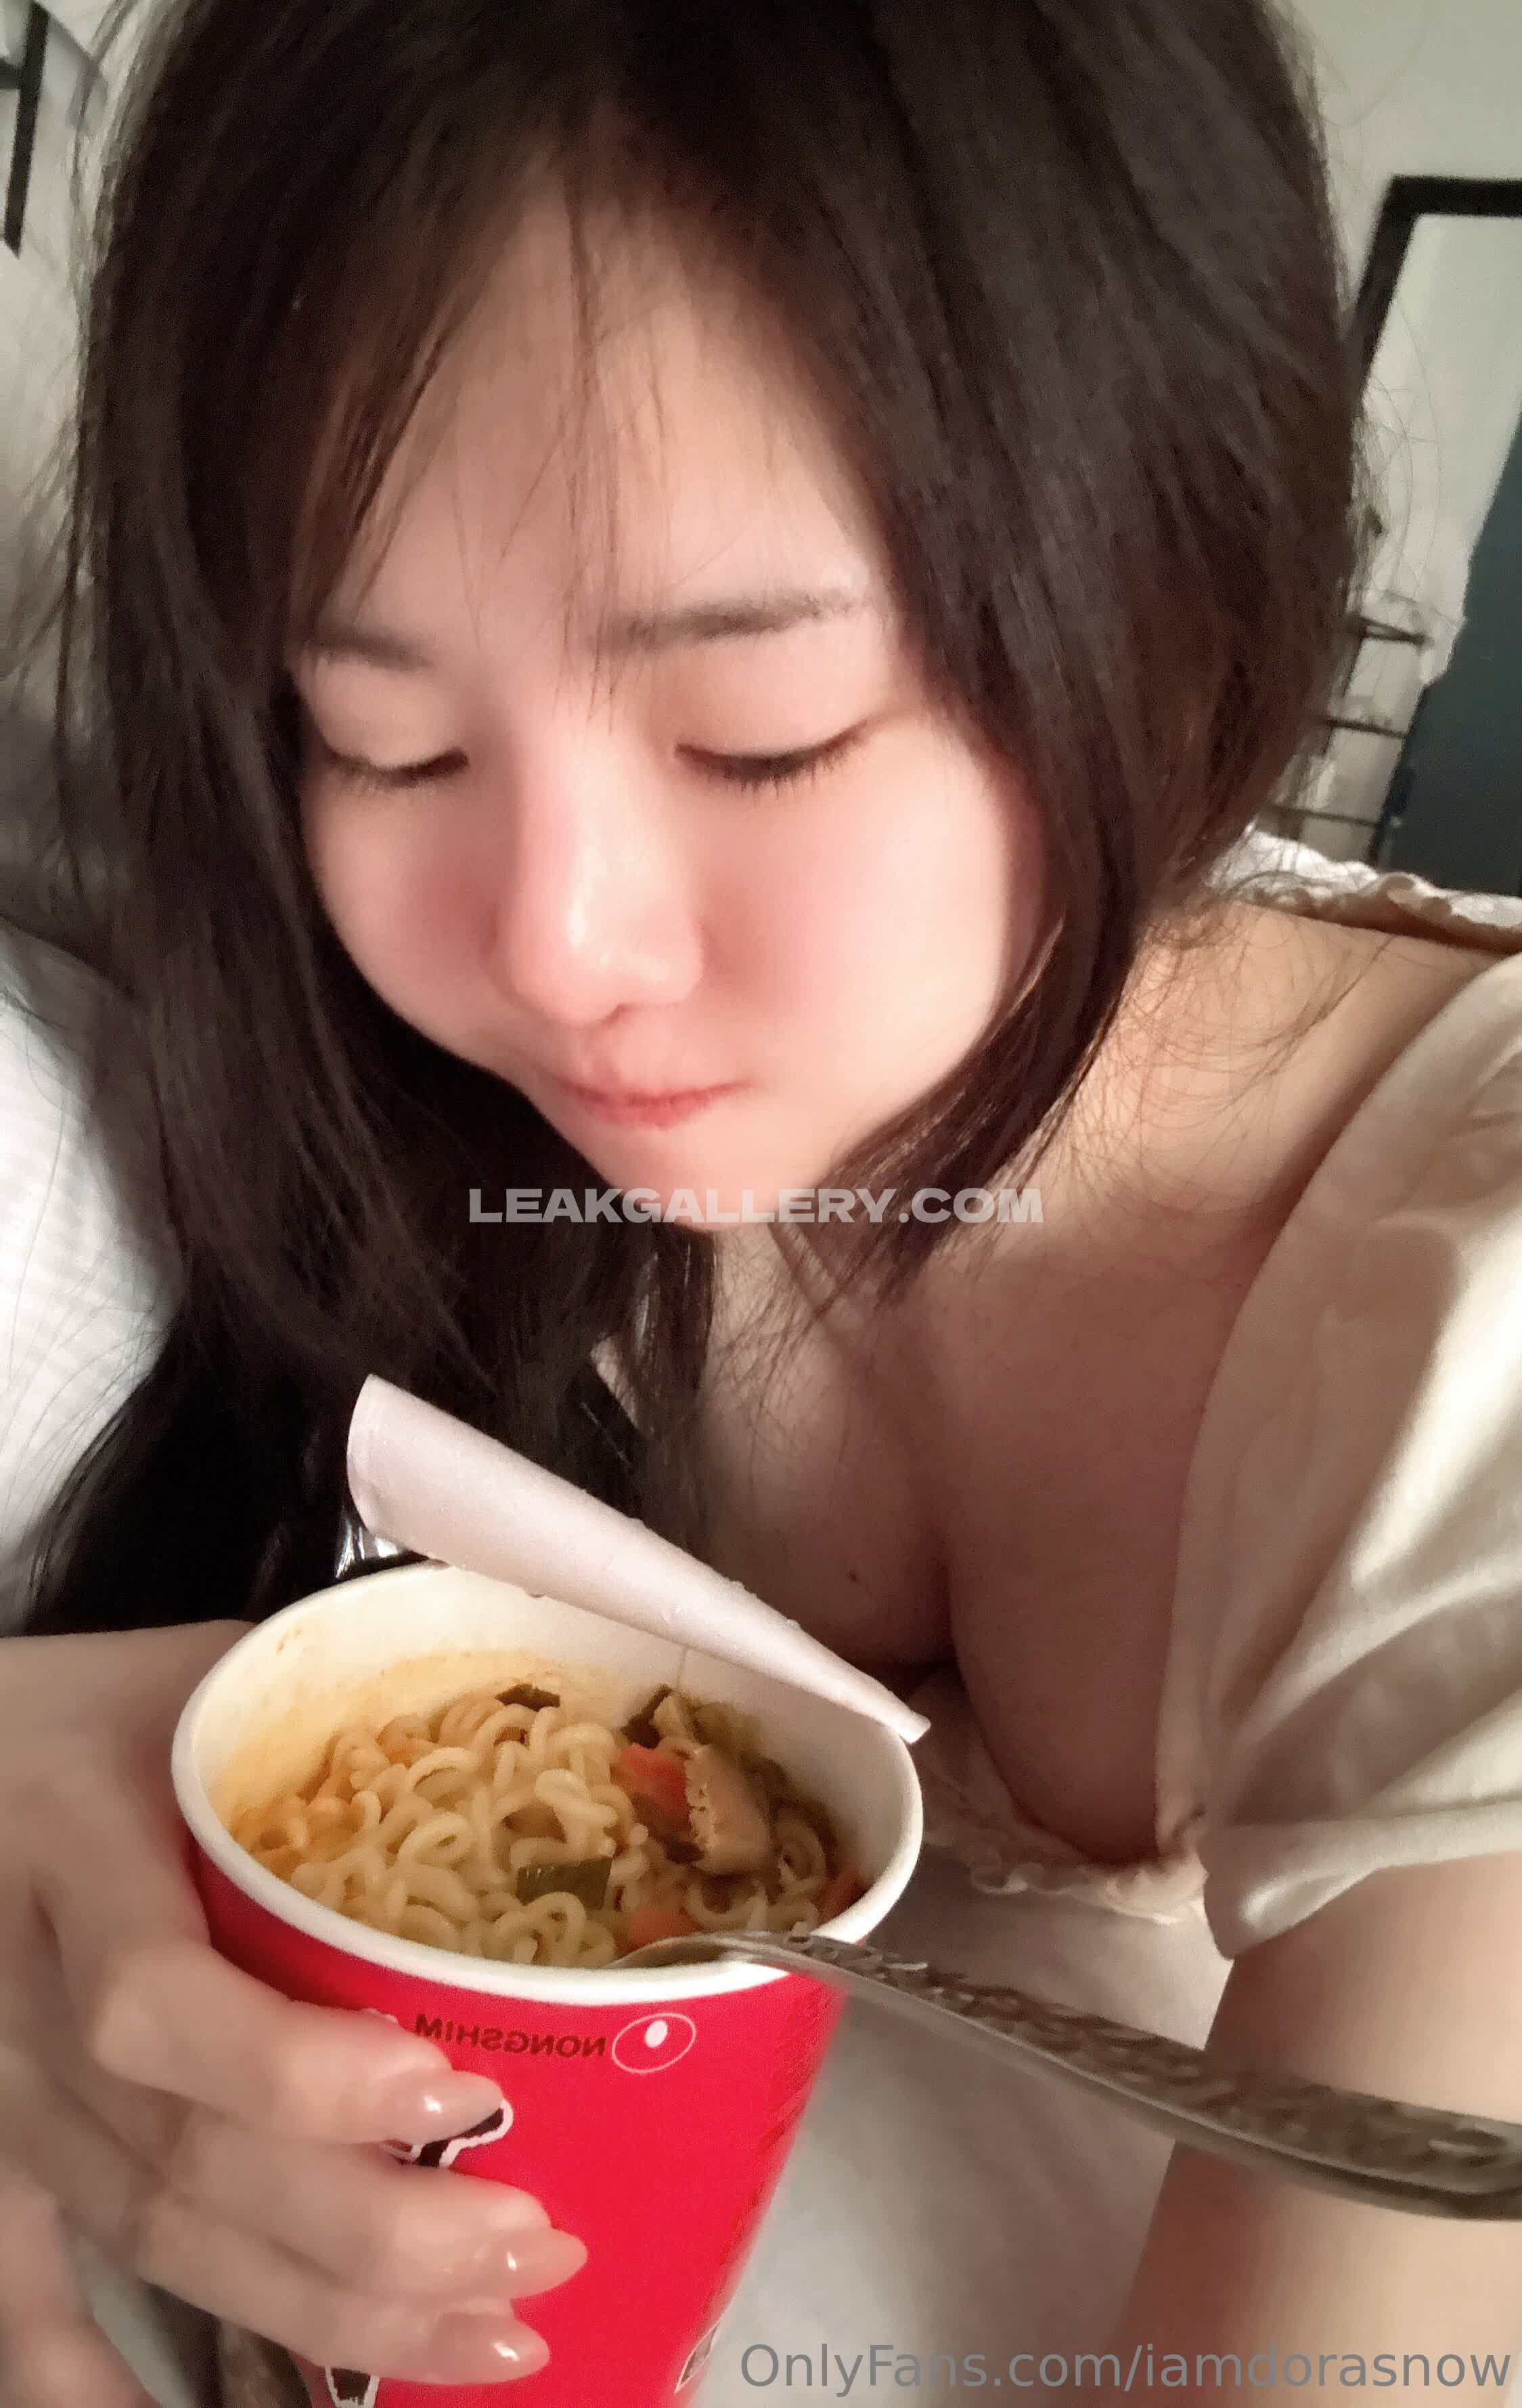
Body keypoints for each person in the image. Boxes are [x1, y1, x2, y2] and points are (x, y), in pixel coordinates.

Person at [5, 0, 1522, 2403]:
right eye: (387, 739)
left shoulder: (1472, 1331)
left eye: (760, 736)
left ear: (1177, 601)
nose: (552, 951)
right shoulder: (382, 1105)